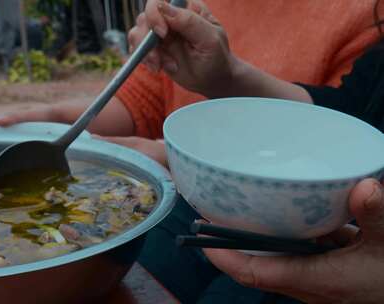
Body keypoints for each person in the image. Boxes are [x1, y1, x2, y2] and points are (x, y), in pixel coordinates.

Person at [0, 1, 383, 303]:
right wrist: (58, 119)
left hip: (301, 235)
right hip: (193, 201)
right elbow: (348, 106)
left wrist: (173, 155)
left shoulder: (362, 13)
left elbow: (328, 140)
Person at [122, 1, 384, 303]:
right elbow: (350, 112)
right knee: (136, 266)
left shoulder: (353, 12)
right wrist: (226, 75)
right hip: (225, 204)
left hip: (326, 232)